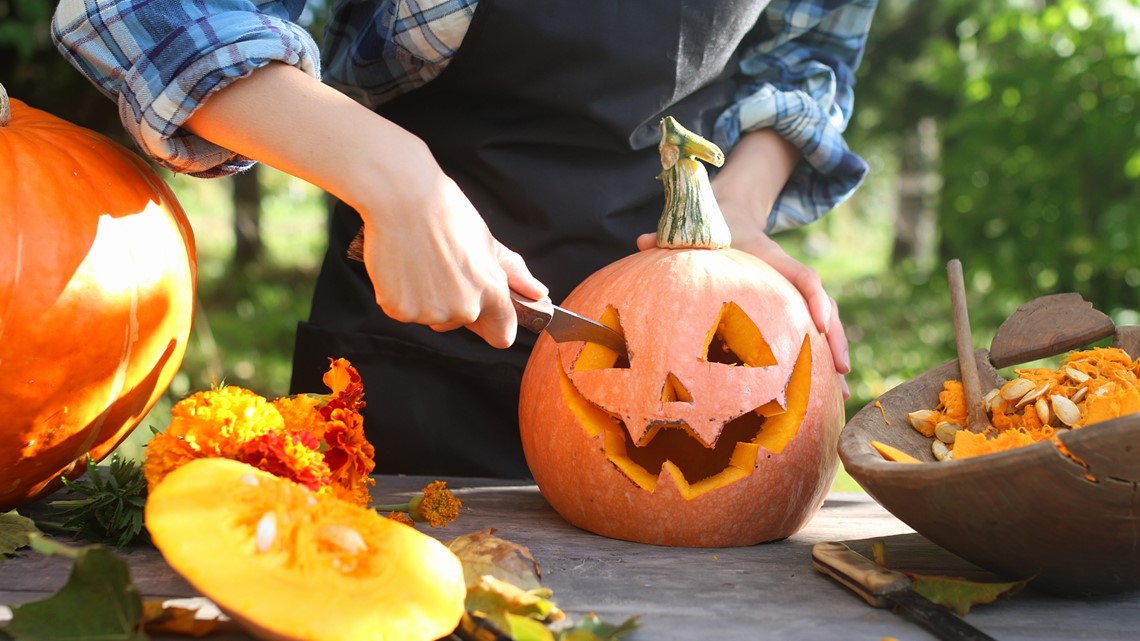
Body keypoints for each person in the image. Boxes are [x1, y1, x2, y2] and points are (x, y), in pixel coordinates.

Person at [53, 0, 878, 478]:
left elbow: (810, 51)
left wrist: (734, 212)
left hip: (673, 283)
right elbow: (135, 10)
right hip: (404, 344)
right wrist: (393, 177)